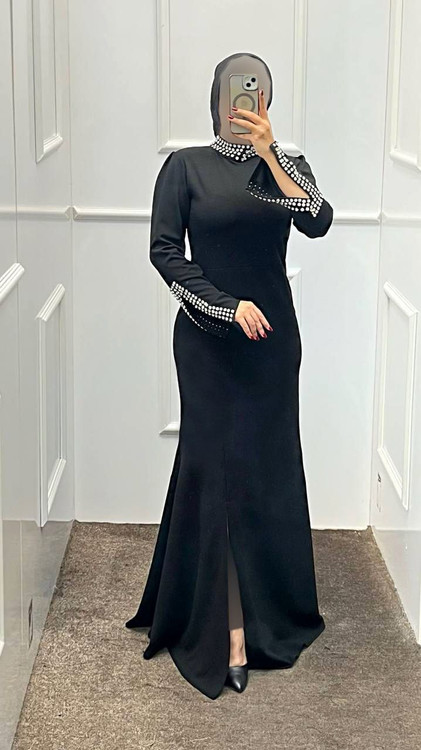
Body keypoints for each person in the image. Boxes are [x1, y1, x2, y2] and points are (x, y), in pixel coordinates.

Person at [125, 52, 334, 699]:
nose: (246, 101)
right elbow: (164, 252)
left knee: (265, 469)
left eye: (258, 92)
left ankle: (272, 615)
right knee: (214, 471)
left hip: (272, 346)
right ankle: (231, 632)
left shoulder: (286, 166)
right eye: (237, 91)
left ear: (268, 100)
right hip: (209, 343)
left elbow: (317, 220)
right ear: (216, 99)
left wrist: (271, 152)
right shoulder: (184, 167)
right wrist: (225, 305)